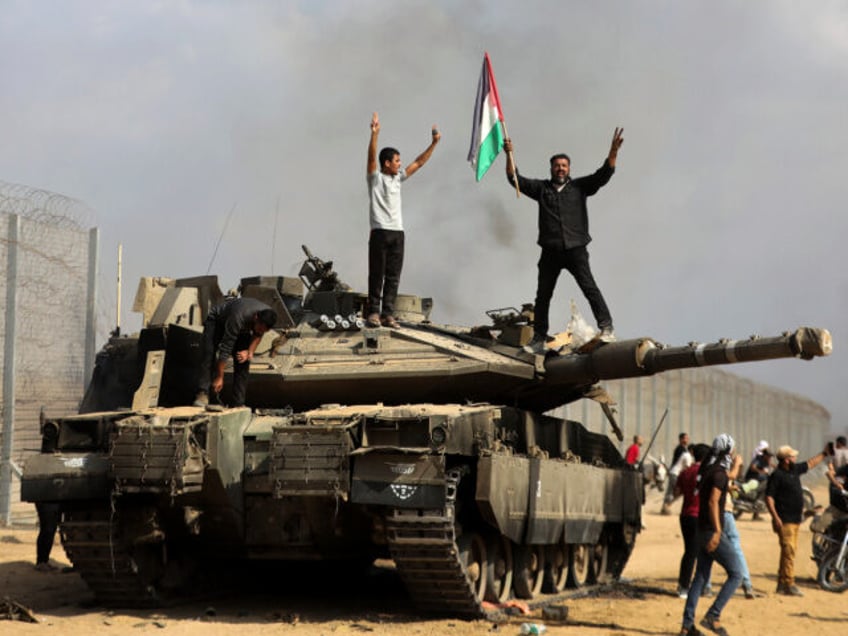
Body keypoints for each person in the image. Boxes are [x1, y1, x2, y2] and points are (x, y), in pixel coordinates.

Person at [503, 128, 623, 352]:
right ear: (551, 168)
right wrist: (508, 154)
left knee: (590, 288)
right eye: (557, 165)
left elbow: (604, 175)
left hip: (576, 249)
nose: (561, 169)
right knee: (543, 296)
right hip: (550, 252)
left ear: (569, 169)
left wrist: (613, 152)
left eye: (564, 166)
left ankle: (607, 327)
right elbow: (514, 179)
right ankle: (539, 338)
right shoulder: (541, 189)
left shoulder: (579, 188)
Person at [365, 111, 440, 329]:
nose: (400, 164)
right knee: (376, 274)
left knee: (393, 276)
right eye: (397, 161)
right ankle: (373, 313)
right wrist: (375, 135)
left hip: (397, 232)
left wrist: (433, 143)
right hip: (379, 231)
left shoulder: (398, 178)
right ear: (386, 163)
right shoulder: (375, 179)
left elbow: (419, 162)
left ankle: (388, 314)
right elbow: (371, 158)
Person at [679, 434, 743, 636]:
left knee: (700, 577)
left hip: (701, 528)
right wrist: (717, 531)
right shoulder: (719, 474)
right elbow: (713, 502)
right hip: (710, 531)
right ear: (727, 452)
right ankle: (713, 616)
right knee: (736, 573)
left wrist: (735, 469)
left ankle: (687, 625)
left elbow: (724, 482)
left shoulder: (710, 470)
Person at [764, 443, 830, 596]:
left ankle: (782, 583)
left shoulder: (794, 470)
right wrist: (775, 517)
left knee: (788, 552)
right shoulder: (777, 475)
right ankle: (789, 584)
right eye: (793, 456)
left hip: (794, 520)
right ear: (786, 459)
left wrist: (824, 454)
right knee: (789, 551)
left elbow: (810, 463)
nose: (795, 458)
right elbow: (769, 498)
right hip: (784, 520)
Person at [194, 297, 277, 407]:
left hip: (243, 327)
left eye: (264, 330)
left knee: (243, 361)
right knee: (209, 353)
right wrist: (220, 377)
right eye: (260, 328)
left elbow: (258, 335)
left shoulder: (267, 316)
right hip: (217, 321)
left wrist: (249, 352)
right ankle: (203, 393)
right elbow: (226, 349)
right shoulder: (238, 316)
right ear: (256, 317)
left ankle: (238, 402)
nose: (261, 331)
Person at [675, 443, 710, 598]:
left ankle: (686, 585)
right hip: (699, 516)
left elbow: (677, 491)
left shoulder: (686, 472)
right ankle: (686, 587)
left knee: (689, 551)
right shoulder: (707, 473)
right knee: (696, 552)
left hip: (685, 515)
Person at [663, 433, 693, 514]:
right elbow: (680, 464)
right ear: (681, 439)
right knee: (677, 491)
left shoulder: (681, 449)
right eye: (686, 438)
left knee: (671, 491)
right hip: (676, 473)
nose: (687, 440)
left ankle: (665, 507)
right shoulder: (681, 450)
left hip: (674, 472)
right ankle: (667, 506)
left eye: (687, 438)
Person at [34, 502, 61, 572]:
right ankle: (41, 562)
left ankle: (44, 561)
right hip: (46, 502)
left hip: (52, 502)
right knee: (47, 530)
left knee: (50, 530)